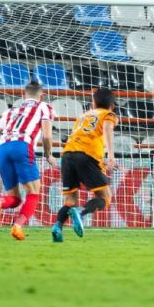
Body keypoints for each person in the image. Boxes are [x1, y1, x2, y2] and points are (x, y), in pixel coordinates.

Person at [0, 81, 57, 241]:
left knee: (15, 199)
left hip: (2, 148)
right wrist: (48, 155)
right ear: (42, 96)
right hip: (22, 145)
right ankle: (17, 226)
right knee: (33, 193)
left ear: (23, 95)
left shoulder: (10, 110)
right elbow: (47, 135)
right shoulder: (44, 107)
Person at [51, 89, 117, 243]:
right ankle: (80, 212)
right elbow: (107, 128)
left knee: (70, 200)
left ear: (93, 103)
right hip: (86, 155)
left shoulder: (82, 116)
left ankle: (57, 227)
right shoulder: (108, 115)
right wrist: (111, 155)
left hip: (67, 155)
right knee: (105, 197)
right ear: (112, 106)